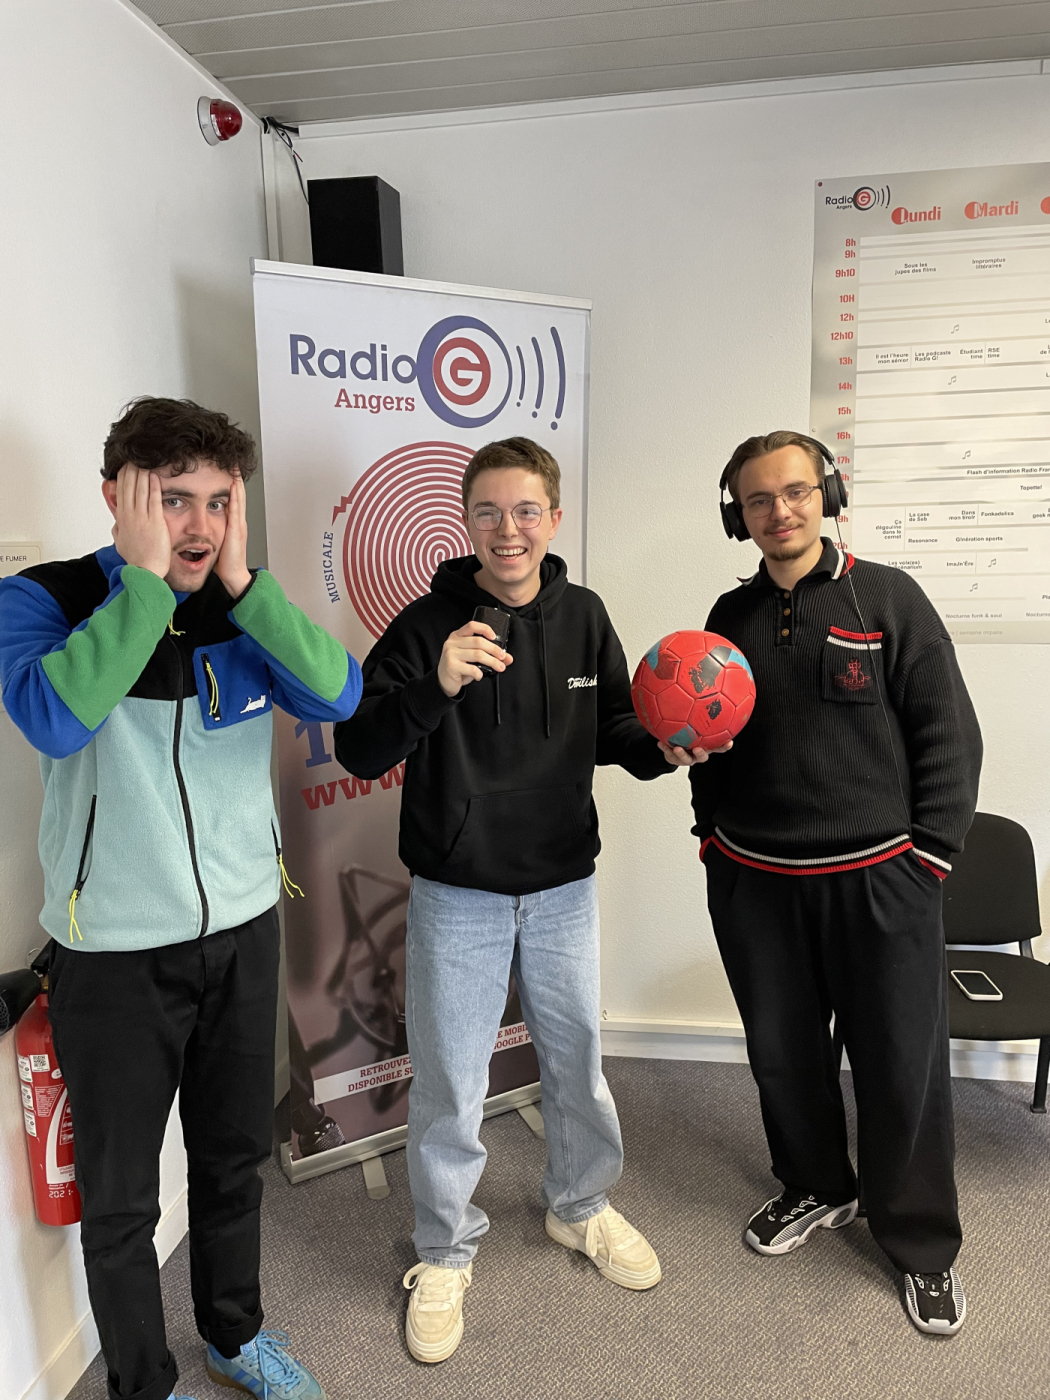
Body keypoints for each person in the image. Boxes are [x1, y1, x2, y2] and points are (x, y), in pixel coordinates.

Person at [0, 397, 363, 1400]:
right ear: (117, 497)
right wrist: (144, 583)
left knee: (234, 1156)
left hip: (243, 930)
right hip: (112, 954)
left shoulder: (243, 607)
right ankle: (141, 1382)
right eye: (173, 500)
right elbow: (55, 719)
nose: (198, 526)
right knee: (120, 1198)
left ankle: (234, 1333)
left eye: (217, 501)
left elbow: (338, 694)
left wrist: (246, 586)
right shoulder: (45, 599)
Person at [334, 436, 713, 1364]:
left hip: (562, 886)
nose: (509, 530)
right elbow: (359, 749)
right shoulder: (425, 626)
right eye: (489, 512)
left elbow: (614, 726)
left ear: (554, 516)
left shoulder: (584, 615)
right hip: (457, 890)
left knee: (577, 1061)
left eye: (526, 510)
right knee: (452, 1082)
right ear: (465, 522)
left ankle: (579, 1206)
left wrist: (664, 748)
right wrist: (434, 686)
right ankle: (444, 1250)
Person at [691, 430, 982, 1336]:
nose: (779, 510)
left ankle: (921, 1243)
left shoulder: (886, 597)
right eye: (758, 498)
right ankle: (818, 1184)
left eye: (796, 491)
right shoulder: (728, 615)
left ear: (828, 493)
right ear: (737, 515)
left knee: (902, 1067)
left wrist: (929, 861)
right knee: (784, 1057)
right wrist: (709, 836)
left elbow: (949, 735)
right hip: (757, 885)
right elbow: (708, 734)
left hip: (879, 885)